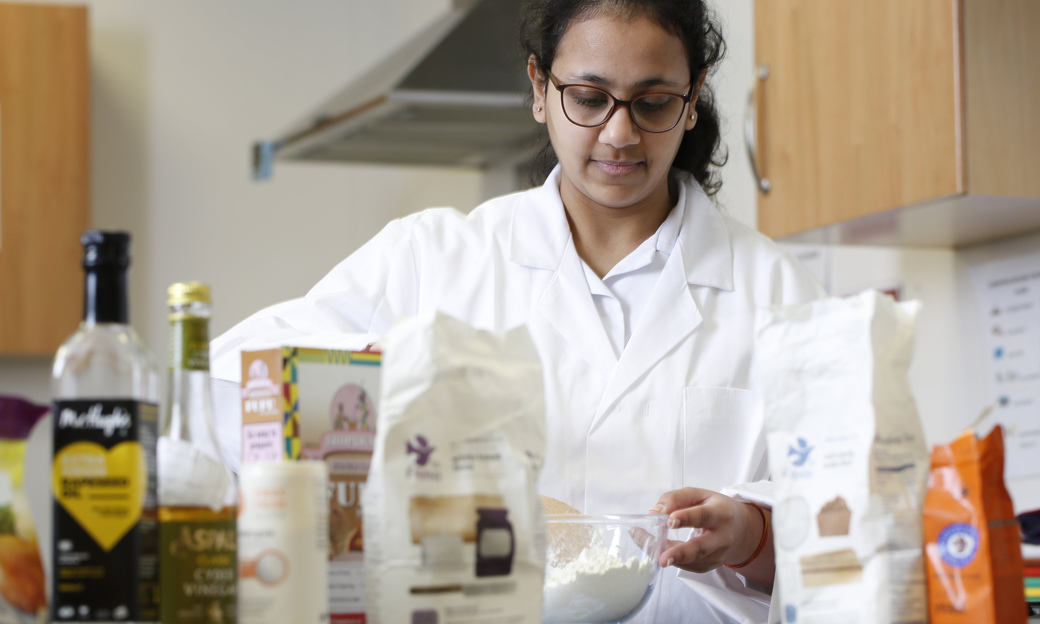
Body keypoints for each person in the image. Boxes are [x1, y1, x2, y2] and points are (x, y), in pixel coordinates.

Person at [210, 0, 823, 621]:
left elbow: (856, 521)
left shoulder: (778, 293)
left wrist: (754, 534)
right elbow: (231, 380)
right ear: (540, 88)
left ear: (691, 101)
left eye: (653, 102)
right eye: (588, 97)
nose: (619, 133)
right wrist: (382, 396)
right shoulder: (431, 259)